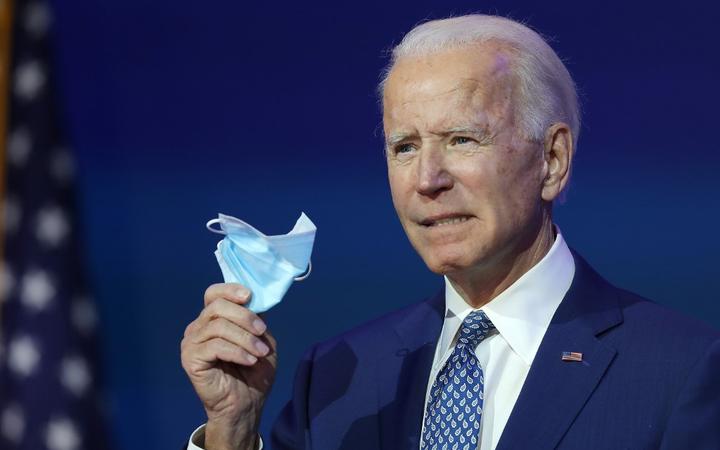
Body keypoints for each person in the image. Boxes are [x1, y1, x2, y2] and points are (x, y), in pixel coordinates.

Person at [181, 15, 720, 450]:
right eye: (405, 147)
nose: (427, 180)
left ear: (551, 160)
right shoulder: (337, 379)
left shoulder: (684, 371)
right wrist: (232, 431)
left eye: (462, 139)